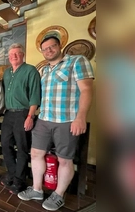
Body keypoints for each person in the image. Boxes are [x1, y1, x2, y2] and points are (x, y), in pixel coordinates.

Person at [17, 35, 94, 211]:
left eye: (51, 47)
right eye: (44, 49)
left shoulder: (77, 61)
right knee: (36, 153)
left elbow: (87, 89)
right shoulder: (44, 70)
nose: (48, 50)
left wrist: (81, 117)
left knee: (65, 160)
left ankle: (59, 195)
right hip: (44, 119)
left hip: (66, 121)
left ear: (60, 46)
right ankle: (36, 189)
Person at [1, 43, 41, 194]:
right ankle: (11, 174)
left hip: (24, 113)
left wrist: (30, 116)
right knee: (5, 144)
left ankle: (20, 181)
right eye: (11, 54)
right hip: (9, 113)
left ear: (22, 55)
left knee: (22, 148)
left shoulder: (31, 70)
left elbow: (35, 96)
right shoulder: (6, 73)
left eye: (17, 53)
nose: (14, 56)